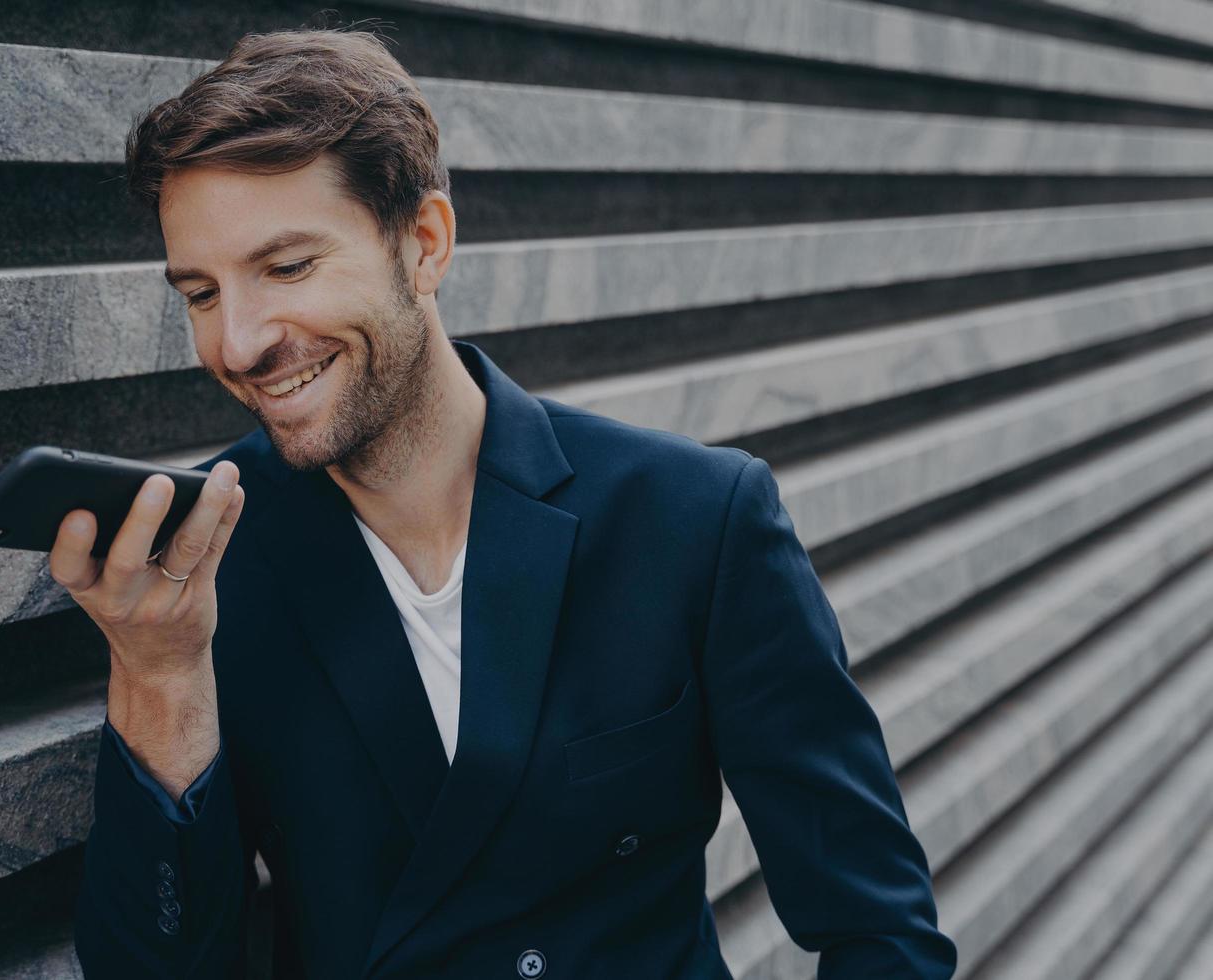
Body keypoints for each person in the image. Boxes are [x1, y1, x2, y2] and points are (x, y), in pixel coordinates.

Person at [56, 25, 957, 980]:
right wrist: (159, 677)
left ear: (426, 243)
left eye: (287, 268)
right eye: (200, 292)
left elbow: (879, 929)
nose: (238, 343)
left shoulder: (693, 518)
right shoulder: (203, 566)